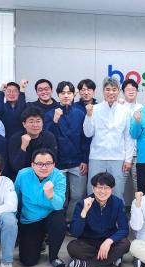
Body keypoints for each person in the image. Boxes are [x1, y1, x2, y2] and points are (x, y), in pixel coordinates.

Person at [44, 81, 90, 223]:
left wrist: (84, 160)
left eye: (69, 93)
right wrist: (55, 120)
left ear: (73, 95)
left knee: (78, 196)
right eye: (62, 93)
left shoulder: (80, 113)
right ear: (57, 95)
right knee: (59, 197)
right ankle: (57, 224)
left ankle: (69, 221)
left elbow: (85, 138)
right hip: (58, 164)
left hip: (77, 162)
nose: (66, 95)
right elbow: (45, 137)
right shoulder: (50, 114)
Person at [15, 149, 67, 267]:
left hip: (51, 215)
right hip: (30, 219)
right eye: (39, 164)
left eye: (48, 163)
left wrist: (51, 195)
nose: (44, 167)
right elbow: (15, 198)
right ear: (32, 164)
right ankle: (38, 241)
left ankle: (54, 257)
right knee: (27, 261)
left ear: (53, 165)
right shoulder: (23, 175)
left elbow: (59, 205)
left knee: (59, 219)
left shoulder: (59, 176)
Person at [67, 172, 130, 267]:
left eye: (106, 188)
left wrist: (109, 241)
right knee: (72, 247)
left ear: (111, 189)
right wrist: (84, 211)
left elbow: (124, 229)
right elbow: (74, 232)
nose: (103, 191)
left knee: (125, 244)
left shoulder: (117, 203)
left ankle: (85, 264)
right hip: (89, 242)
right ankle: (111, 259)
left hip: (109, 241)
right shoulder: (82, 203)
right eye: (99, 187)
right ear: (93, 188)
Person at [83, 77, 134, 198]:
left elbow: (129, 137)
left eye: (114, 89)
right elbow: (88, 133)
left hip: (118, 157)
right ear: (103, 91)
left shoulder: (125, 111)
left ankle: (117, 216)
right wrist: (89, 116)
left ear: (119, 91)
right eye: (108, 89)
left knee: (117, 190)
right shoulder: (94, 109)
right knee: (93, 190)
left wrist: (128, 159)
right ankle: (92, 216)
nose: (111, 92)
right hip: (97, 156)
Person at [8, 106, 57, 179]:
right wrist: (23, 147)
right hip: (23, 178)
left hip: (44, 177)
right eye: (31, 121)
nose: (35, 125)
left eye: (38, 121)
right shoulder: (14, 139)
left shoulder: (49, 137)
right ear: (24, 124)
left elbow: (51, 163)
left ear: (43, 123)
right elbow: (16, 167)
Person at [119, 79, 142, 203]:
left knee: (139, 189)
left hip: (138, 155)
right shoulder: (118, 107)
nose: (131, 91)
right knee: (118, 188)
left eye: (133, 89)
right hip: (121, 155)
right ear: (123, 92)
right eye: (128, 89)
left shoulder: (143, 109)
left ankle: (137, 217)